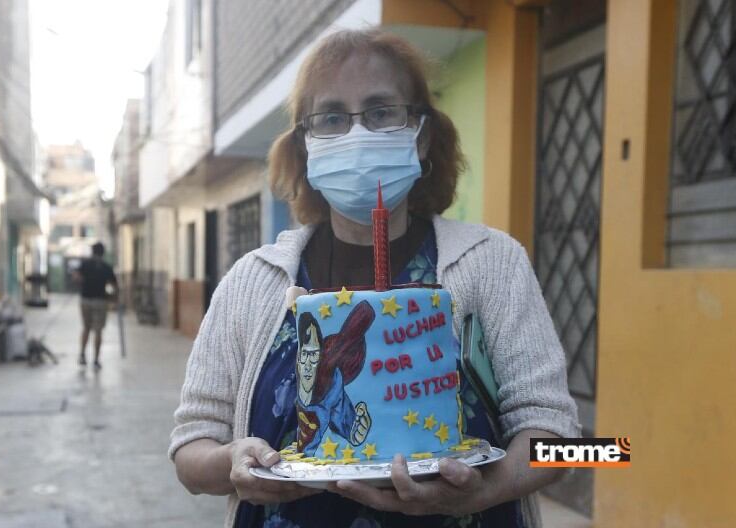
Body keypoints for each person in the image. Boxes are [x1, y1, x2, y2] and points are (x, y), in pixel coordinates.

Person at [169, 29, 580, 528]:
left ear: (422, 134)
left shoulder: (494, 261)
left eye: (382, 112)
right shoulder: (250, 282)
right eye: (332, 118)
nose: (357, 134)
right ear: (306, 145)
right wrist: (231, 465)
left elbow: (578, 450)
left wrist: (487, 490)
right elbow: (189, 452)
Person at [73, 241, 117, 370]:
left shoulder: (85, 264)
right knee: (98, 331)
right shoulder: (106, 267)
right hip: (101, 301)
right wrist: (113, 298)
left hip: (85, 300)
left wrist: (83, 281)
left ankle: (82, 354)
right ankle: (96, 360)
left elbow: (76, 277)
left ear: (92, 252)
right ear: (103, 253)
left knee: (86, 328)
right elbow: (114, 286)